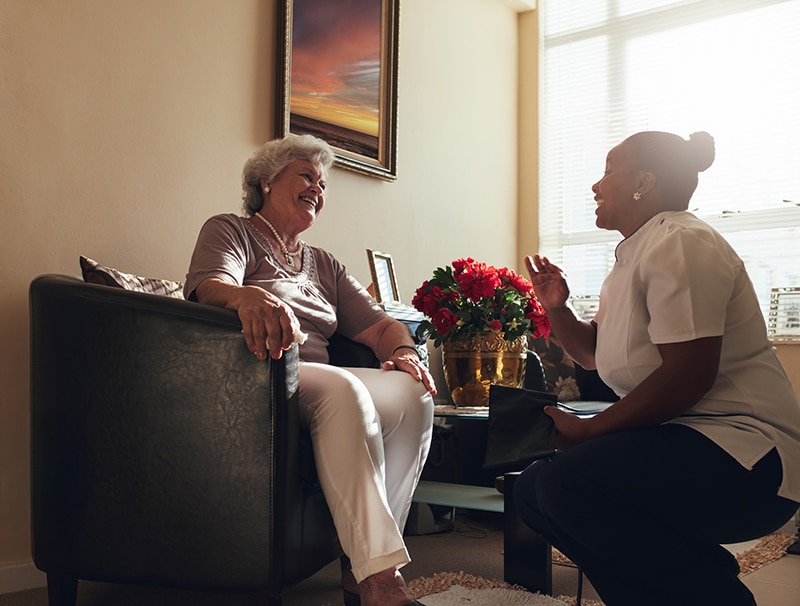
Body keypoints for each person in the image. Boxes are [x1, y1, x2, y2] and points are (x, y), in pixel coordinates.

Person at [514, 131, 800, 606]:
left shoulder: (683, 241)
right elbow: (594, 355)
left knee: (569, 482)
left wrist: (590, 432)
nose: (595, 185)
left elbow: (688, 374)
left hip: (747, 455)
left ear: (643, 182)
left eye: (608, 170)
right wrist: (557, 308)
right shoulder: (634, 254)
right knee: (530, 492)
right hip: (682, 441)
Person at [184, 134, 435, 606]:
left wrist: (405, 353)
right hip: (262, 373)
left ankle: (359, 565)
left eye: (322, 184)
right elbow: (208, 285)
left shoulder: (325, 263)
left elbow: (381, 327)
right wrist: (248, 295)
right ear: (265, 181)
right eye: (306, 176)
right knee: (344, 388)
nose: (317, 190)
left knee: (412, 395)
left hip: (320, 378)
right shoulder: (231, 230)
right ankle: (382, 584)